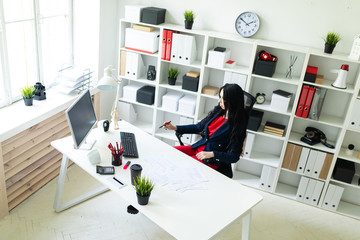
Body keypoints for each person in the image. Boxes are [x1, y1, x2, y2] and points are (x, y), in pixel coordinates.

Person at [164, 83, 248, 178]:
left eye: (223, 99)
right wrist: (175, 127)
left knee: (180, 167)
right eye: (220, 97)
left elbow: (234, 157)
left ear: (232, 101)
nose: (219, 101)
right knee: (170, 152)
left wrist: (212, 154)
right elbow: (198, 127)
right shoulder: (219, 112)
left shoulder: (237, 125)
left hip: (208, 158)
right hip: (198, 148)